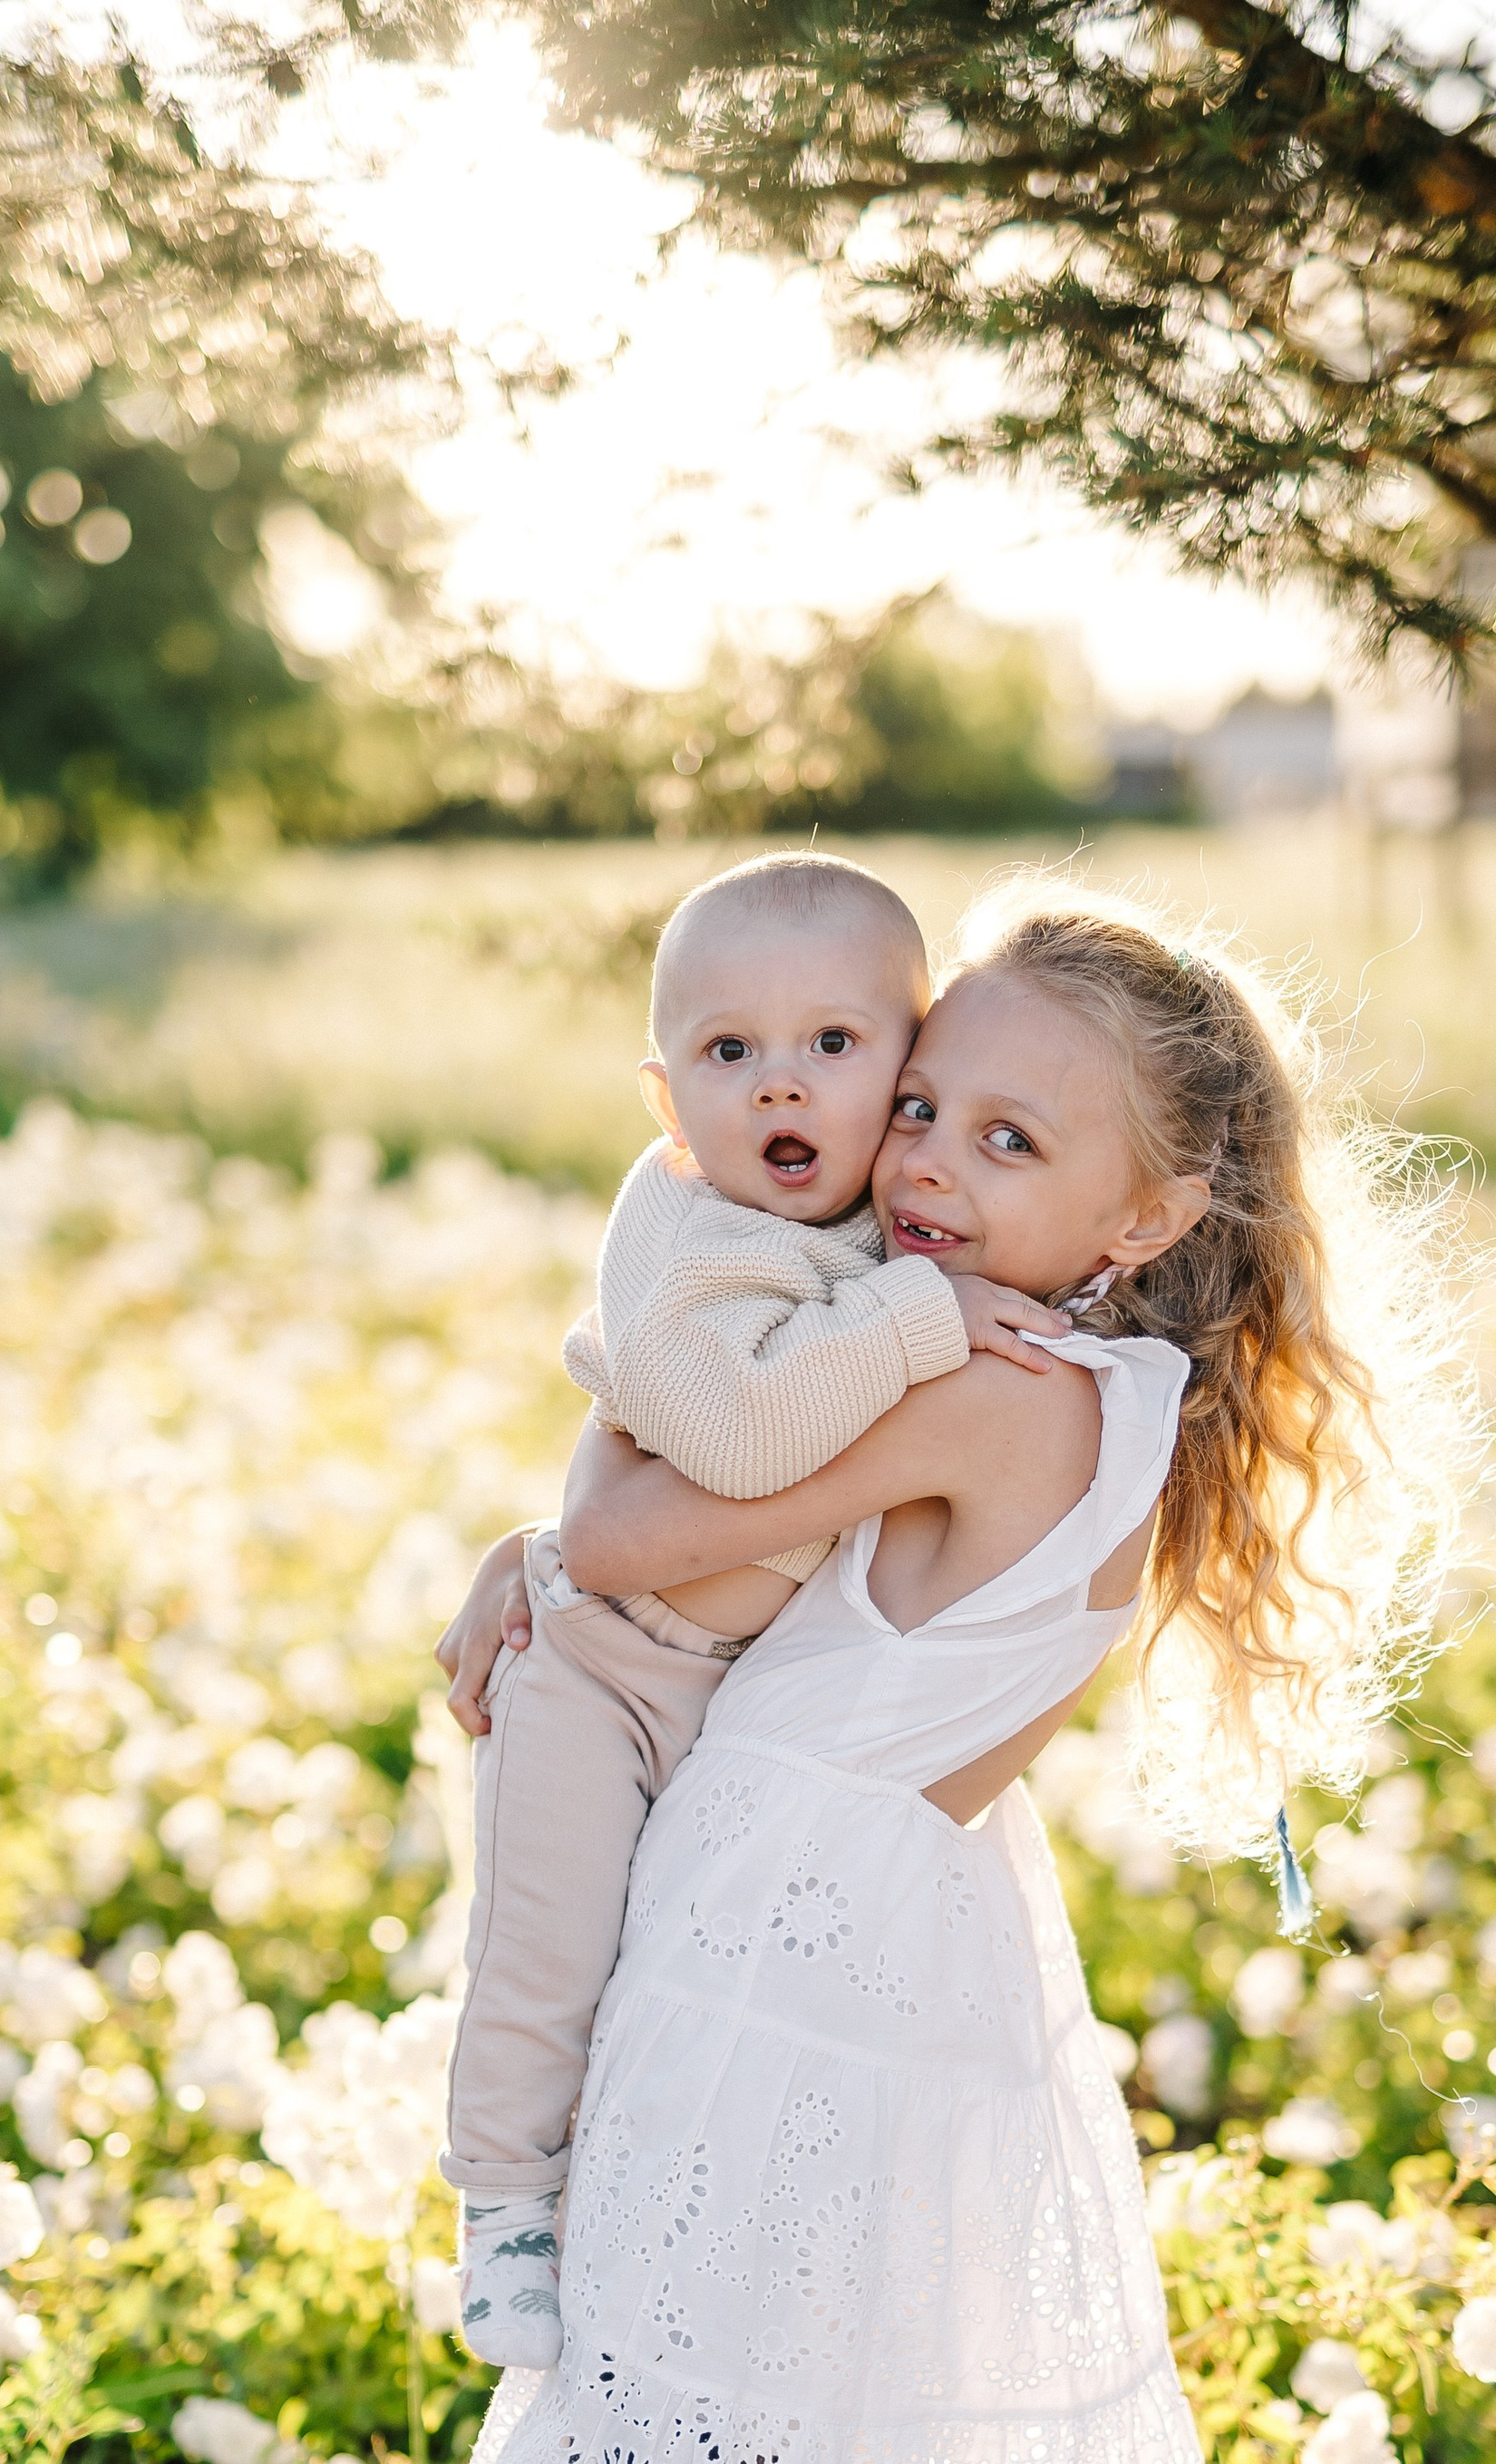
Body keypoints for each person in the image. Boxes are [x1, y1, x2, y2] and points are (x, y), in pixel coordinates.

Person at [380, 882, 1479, 2464]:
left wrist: (525, 1557)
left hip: (767, 2003)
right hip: (916, 1992)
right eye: (921, 1110)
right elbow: (722, 1572)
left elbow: (632, 1530)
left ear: (1157, 1208)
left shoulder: (967, 1381)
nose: (925, 1167)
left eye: (1004, 1133)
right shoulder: (1128, 1402)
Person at [443, 850, 1070, 2370]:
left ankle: (604, 2177)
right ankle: (505, 2201)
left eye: (835, 1048)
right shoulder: (681, 1225)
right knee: (545, 1944)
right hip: (596, 1668)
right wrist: (921, 1322)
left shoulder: (891, 1232)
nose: (780, 1090)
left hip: (734, 1694)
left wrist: (926, 1301)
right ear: (670, 1105)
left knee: (657, 1989)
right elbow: (728, 1439)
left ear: (908, 1070)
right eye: (732, 1056)